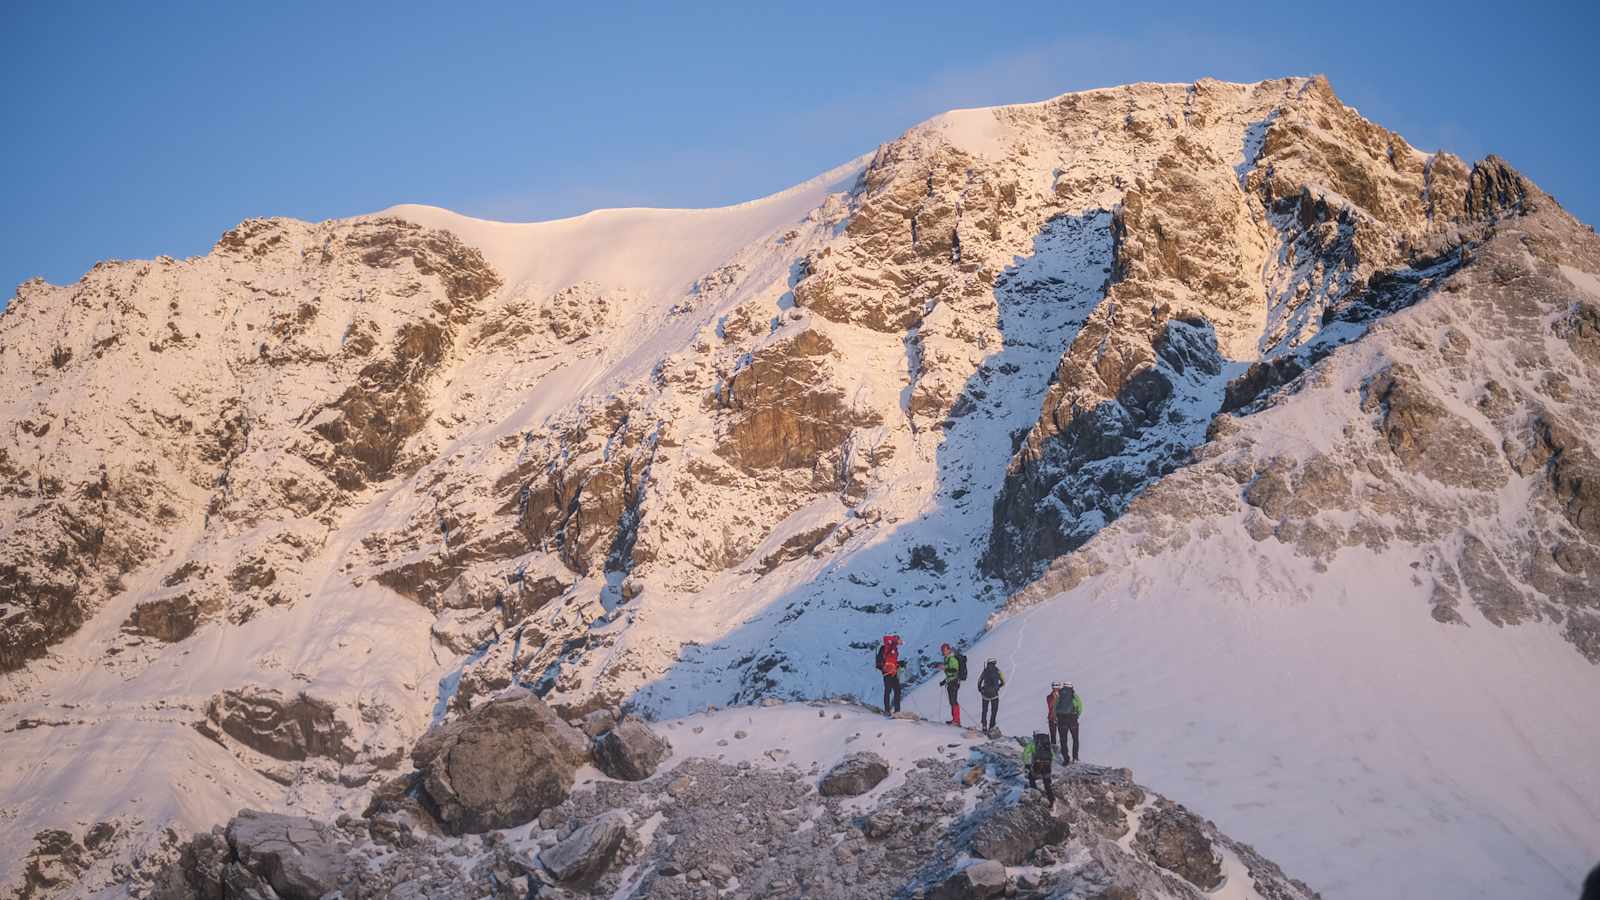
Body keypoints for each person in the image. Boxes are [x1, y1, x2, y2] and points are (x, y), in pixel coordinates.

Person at [1054, 680, 1084, 763]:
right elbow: (1080, 707)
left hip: (1061, 720)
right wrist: (1076, 716)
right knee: (1075, 739)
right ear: (1071, 687)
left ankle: (1066, 759)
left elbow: (1055, 708)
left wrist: (1057, 717)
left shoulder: (1060, 696)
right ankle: (1075, 758)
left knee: (1063, 740)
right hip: (1072, 719)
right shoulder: (1074, 696)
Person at [1022, 732, 1055, 804]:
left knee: (1031, 777)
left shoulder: (1033, 743)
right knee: (1047, 783)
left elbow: (1025, 753)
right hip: (1047, 764)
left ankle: (1035, 796)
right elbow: (1053, 756)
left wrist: (1027, 764)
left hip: (1037, 764)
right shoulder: (1047, 743)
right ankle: (1051, 800)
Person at [874, 634, 902, 717]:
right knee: (895, 691)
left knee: (890, 691)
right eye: (898, 640)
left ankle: (889, 710)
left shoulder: (892, 649)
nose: (899, 643)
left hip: (890, 672)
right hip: (890, 672)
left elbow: (892, 661)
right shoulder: (888, 647)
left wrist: (899, 664)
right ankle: (895, 711)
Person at [977, 658, 1005, 734]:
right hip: (994, 694)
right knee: (994, 711)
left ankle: (984, 726)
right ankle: (991, 726)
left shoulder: (985, 670)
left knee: (984, 710)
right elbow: (1003, 681)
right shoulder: (998, 670)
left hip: (985, 693)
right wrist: (998, 687)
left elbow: (979, 680)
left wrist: (980, 689)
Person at [938, 642, 963, 726]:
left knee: (953, 700)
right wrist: (944, 681)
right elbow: (950, 673)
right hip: (951, 681)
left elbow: (954, 670)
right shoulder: (947, 658)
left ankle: (957, 720)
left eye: (945, 650)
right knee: (952, 701)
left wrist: (944, 667)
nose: (944, 652)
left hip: (954, 681)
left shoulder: (951, 659)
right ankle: (955, 719)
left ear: (948, 650)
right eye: (943, 650)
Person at [1046, 682, 1062, 750]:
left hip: (1054, 718)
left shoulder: (1049, 697)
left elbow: (1050, 706)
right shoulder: (1050, 697)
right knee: (1058, 735)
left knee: (1055, 735)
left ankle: (1056, 750)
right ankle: (1057, 750)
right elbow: (1051, 706)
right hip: (1057, 718)